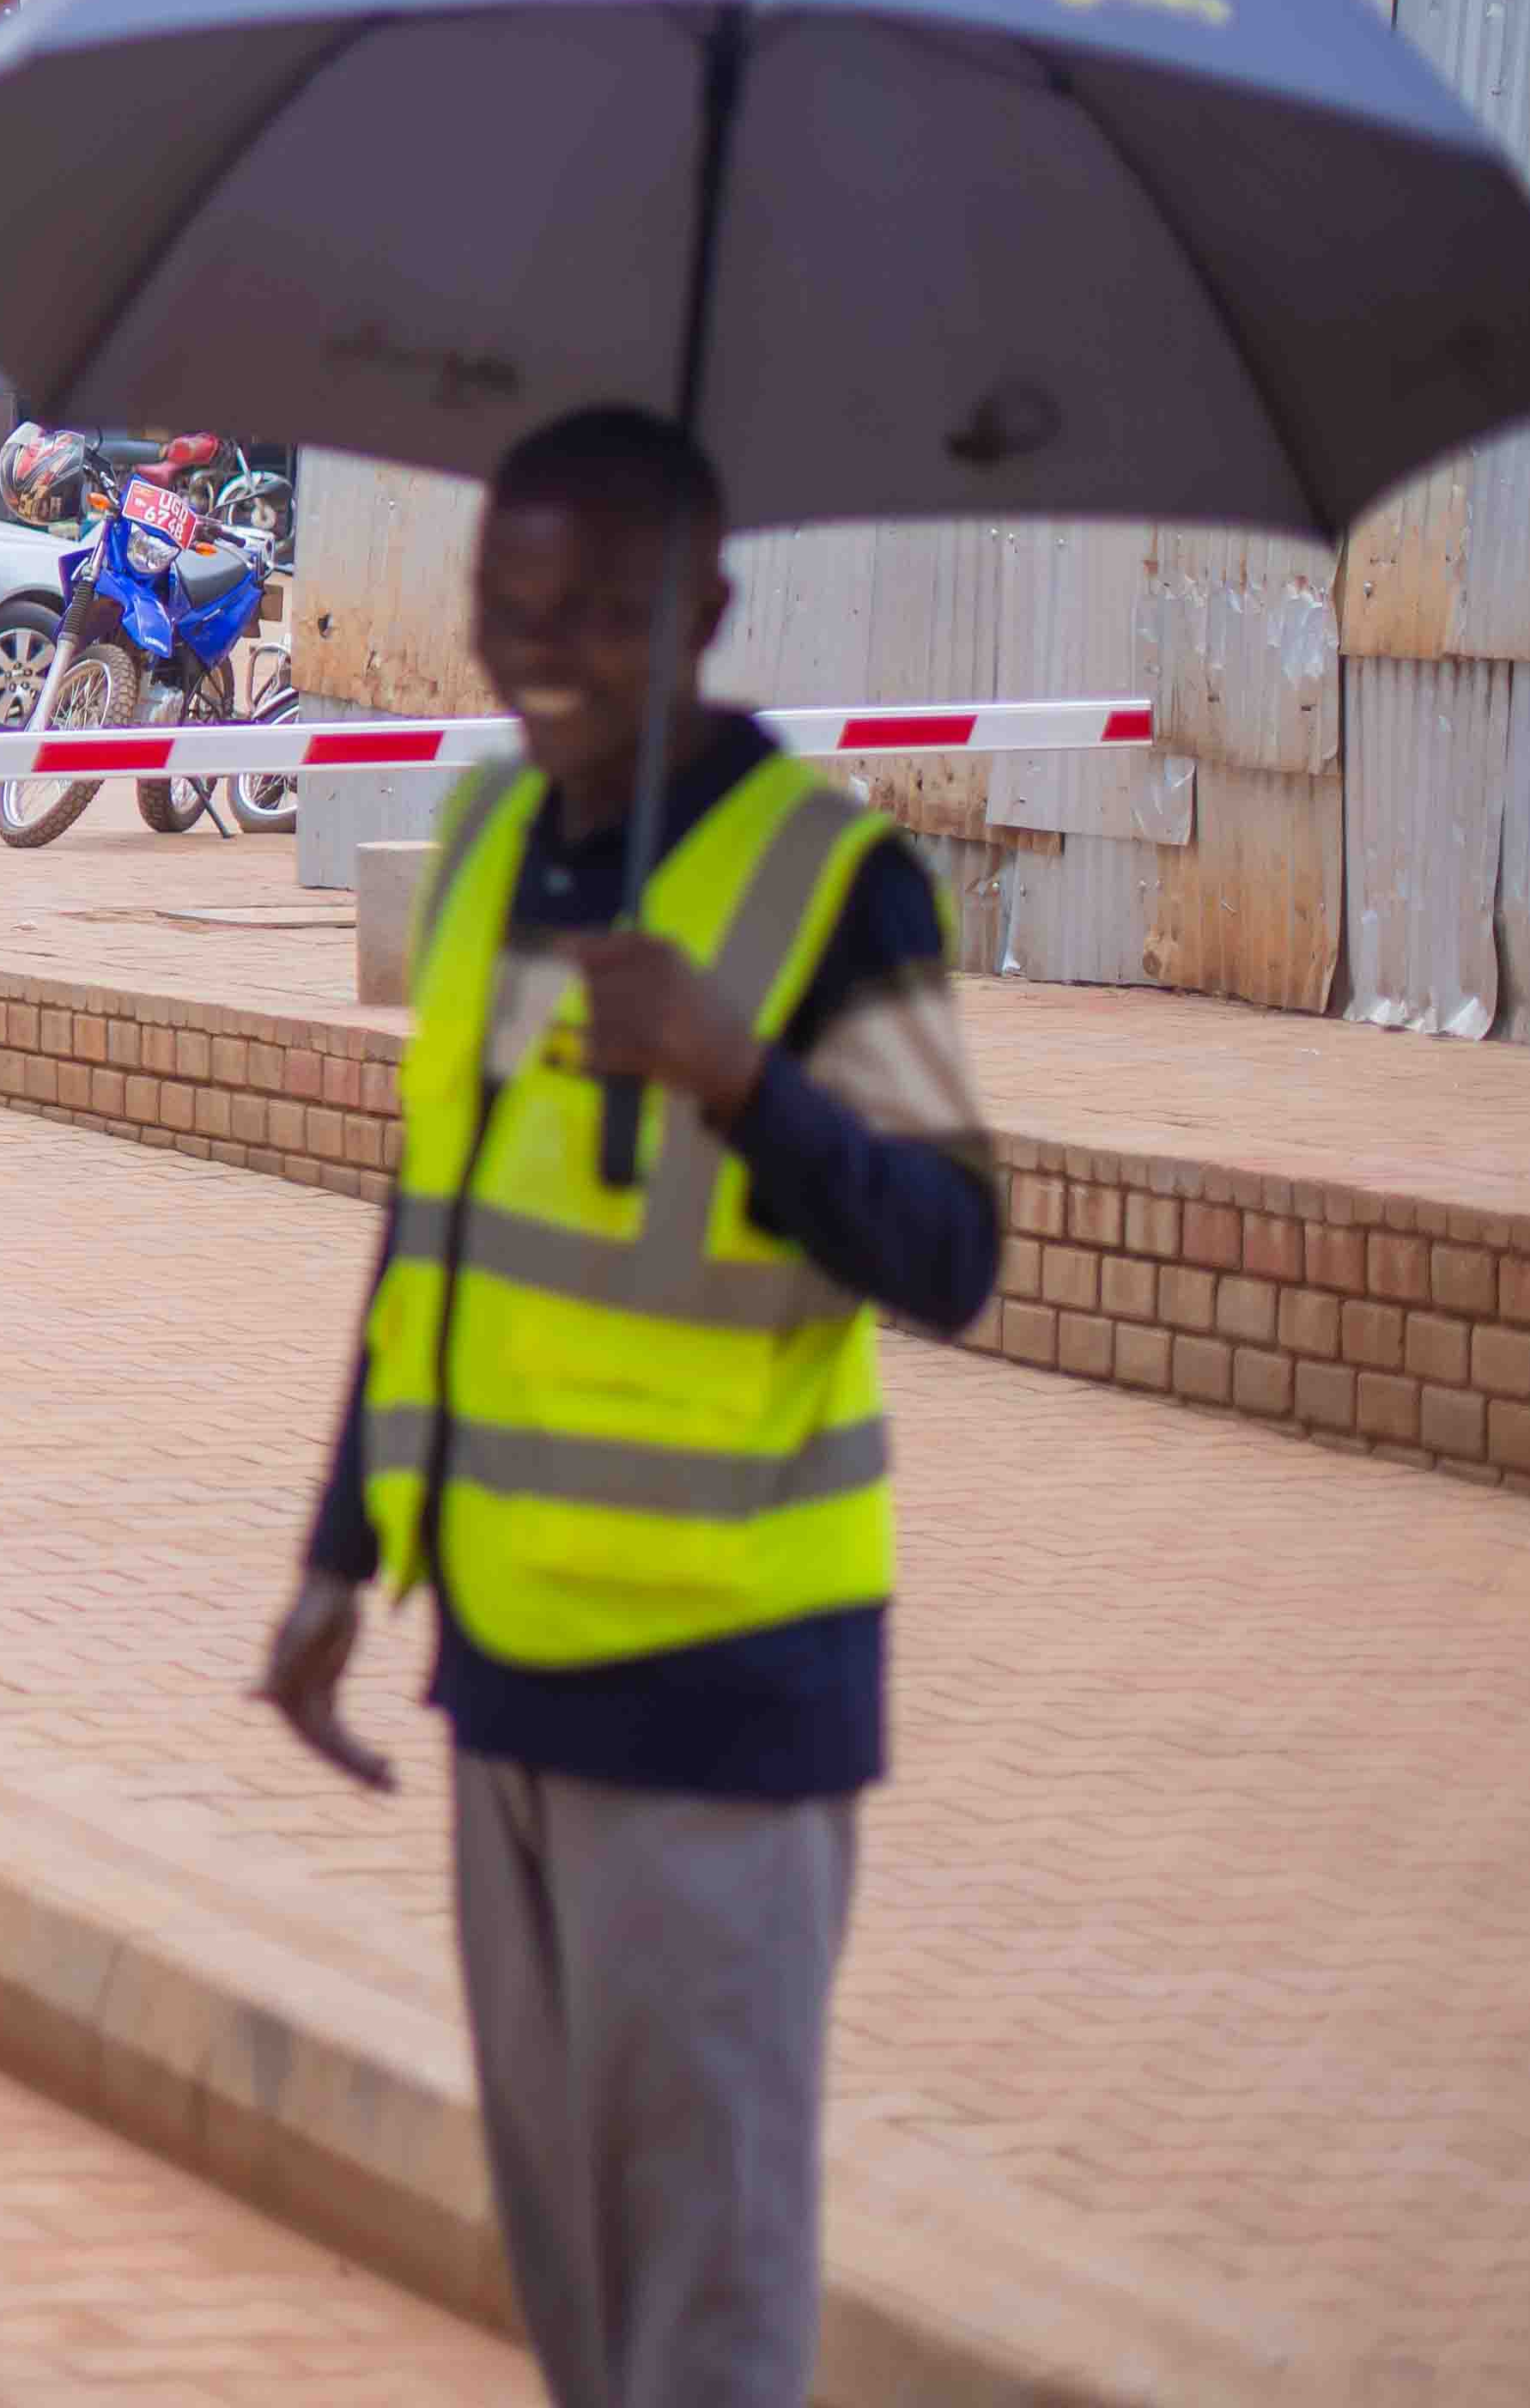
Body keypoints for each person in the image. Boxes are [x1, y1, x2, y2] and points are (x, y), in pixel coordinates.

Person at [258, 405, 999, 2408]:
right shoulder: (500, 840)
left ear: (709, 610)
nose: (544, 643)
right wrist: (341, 1551)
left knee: (707, 2308)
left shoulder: (833, 883)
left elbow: (950, 1244)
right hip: (502, 1668)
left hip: (723, 1700)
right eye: (511, 599)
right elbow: (442, 1224)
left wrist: (743, 1075)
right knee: (584, 2297)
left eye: (600, 602)